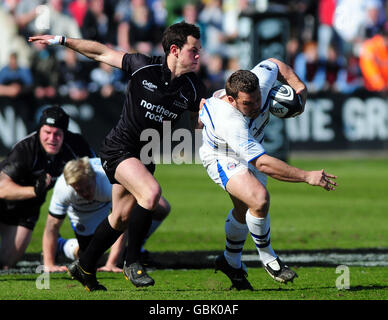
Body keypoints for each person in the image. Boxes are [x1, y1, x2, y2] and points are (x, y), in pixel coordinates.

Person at [28, 21, 206, 291]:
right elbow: (100, 52)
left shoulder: (193, 87)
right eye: (193, 50)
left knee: (121, 217)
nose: (198, 55)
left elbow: (197, 123)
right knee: (151, 194)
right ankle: (132, 261)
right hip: (117, 149)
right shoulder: (143, 65)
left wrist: (210, 116)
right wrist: (63, 40)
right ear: (175, 50)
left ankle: (84, 267)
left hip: (145, 155)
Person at [198, 59, 337, 290]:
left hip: (249, 148)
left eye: (257, 100)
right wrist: (307, 176)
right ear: (231, 100)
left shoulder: (259, 82)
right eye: (247, 103)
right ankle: (268, 256)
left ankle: (229, 261)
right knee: (259, 199)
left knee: (245, 209)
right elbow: (263, 164)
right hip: (222, 156)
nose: (255, 106)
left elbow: (274, 63)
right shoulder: (230, 121)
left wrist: (299, 88)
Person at [0, 106, 95, 269]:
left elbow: (96, 170)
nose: (52, 138)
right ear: (39, 130)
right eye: (47, 132)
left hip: (27, 210)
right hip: (3, 204)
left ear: (65, 134)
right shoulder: (26, 149)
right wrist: (34, 190)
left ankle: (59, 244)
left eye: (57, 134)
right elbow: (2, 188)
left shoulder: (76, 145)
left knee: (5, 263)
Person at [43, 156, 170, 273]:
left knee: (161, 208)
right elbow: (52, 226)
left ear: (94, 177)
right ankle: (62, 245)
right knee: (88, 256)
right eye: (79, 190)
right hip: (82, 209)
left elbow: (122, 220)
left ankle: (135, 247)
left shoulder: (108, 182)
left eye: (87, 187)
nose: (85, 193)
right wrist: (49, 264)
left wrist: (111, 263)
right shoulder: (63, 188)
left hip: (109, 196)